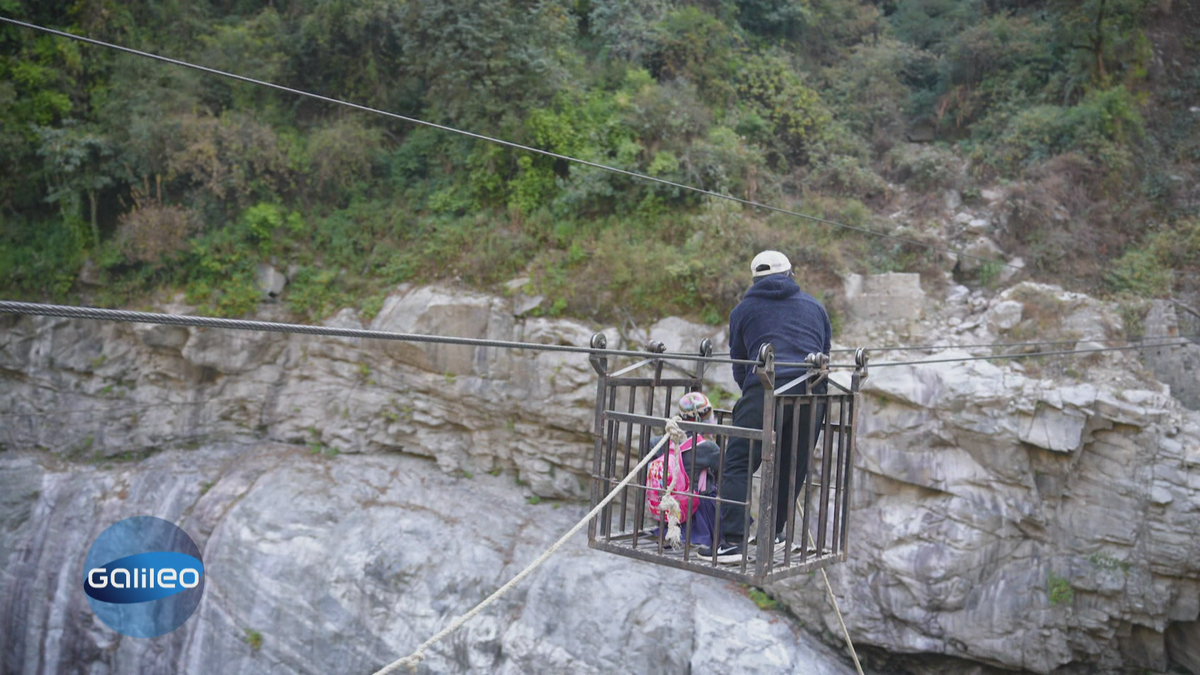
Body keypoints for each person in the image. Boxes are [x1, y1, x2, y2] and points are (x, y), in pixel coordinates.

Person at [699, 250, 831, 564]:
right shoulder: (815, 307)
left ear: (755, 280)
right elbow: (824, 352)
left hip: (767, 387)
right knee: (792, 463)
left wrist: (754, 395)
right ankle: (774, 533)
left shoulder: (744, 310)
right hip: (813, 391)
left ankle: (732, 541)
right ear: (790, 275)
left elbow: (740, 363)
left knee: (738, 461)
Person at [645, 392, 722, 548]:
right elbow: (725, 470)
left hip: (668, 508)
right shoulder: (707, 448)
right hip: (695, 513)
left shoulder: (658, 442)